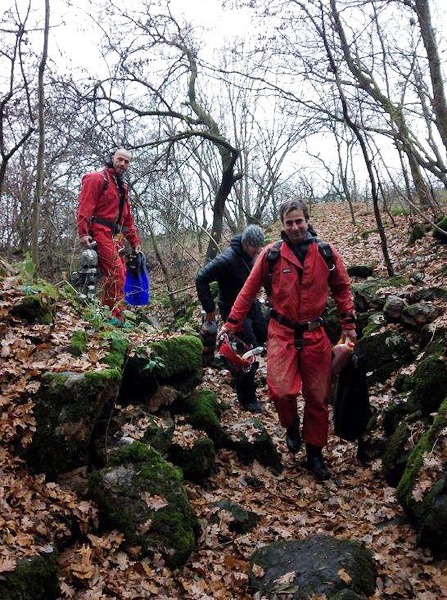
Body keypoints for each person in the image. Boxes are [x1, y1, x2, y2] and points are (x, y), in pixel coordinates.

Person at [219, 200, 357, 480]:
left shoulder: (326, 252)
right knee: (281, 391)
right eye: (289, 222)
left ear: (307, 221)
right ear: (282, 224)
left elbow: (342, 288)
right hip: (281, 332)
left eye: (299, 221)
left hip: (315, 333)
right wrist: (231, 324)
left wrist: (349, 324)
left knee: (318, 398)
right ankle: (292, 425)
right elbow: (248, 291)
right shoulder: (271, 255)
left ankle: (315, 454)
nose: (294, 227)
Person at [195, 224, 267, 412]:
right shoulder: (226, 259)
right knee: (247, 350)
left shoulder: (250, 256)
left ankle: (232, 362)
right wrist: (209, 309)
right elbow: (201, 278)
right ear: (245, 243)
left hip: (251, 305)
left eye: (260, 247)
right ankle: (247, 397)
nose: (257, 251)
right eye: (254, 247)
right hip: (233, 311)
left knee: (262, 336)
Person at [76, 148, 142, 320]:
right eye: (120, 159)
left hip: (115, 236)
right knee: (116, 273)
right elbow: (84, 206)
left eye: (127, 162)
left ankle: (108, 314)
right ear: (112, 158)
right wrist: (83, 233)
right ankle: (113, 318)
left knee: (121, 275)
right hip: (100, 232)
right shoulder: (97, 178)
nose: (123, 164)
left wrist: (135, 242)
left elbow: (127, 219)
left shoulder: (122, 188)